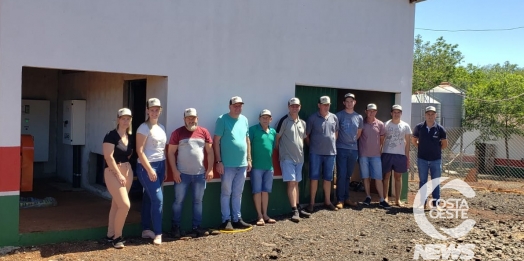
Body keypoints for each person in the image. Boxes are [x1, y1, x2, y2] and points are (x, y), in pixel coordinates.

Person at [168, 108, 214, 238]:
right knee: (178, 201)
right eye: (188, 118)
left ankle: (197, 227)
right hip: (182, 175)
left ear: (197, 118)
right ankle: (175, 227)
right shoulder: (177, 133)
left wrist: (210, 169)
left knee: (198, 201)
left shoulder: (204, 132)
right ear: (184, 119)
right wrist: (175, 171)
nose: (191, 120)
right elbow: (170, 153)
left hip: (200, 174)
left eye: (193, 117)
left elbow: (210, 152)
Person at [214, 96, 253, 231]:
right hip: (227, 164)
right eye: (235, 105)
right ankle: (226, 220)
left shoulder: (244, 120)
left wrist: (249, 159)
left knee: (238, 192)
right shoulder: (222, 119)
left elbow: (247, 140)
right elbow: (216, 141)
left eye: (240, 105)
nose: (238, 108)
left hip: (242, 164)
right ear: (229, 106)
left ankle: (237, 218)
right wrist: (218, 161)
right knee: (226, 192)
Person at [136, 98, 167, 245]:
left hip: (160, 165)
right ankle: (158, 233)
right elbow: (140, 151)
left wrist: (164, 168)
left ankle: (146, 229)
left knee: (149, 197)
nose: (154, 112)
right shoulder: (143, 128)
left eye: (157, 110)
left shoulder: (161, 126)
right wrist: (149, 169)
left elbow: (162, 150)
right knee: (157, 199)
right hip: (146, 166)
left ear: (160, 110)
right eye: (152, 110)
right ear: (147, 110)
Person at [102, 108, 134, 249]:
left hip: (127, 170)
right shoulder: (111, 136)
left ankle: (110, 234)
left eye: (128, 118)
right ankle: (117, 237)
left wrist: (125, 171)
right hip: (113, 171)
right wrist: (119, 174)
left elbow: (129, 154)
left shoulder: (129, 136)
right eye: (123, 118)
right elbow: (108, 157)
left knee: (117, 204)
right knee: (125, 205)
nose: (125, 121)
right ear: (118, 119)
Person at [275, 98, 311, 222]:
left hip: (299, 158)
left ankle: (299, 207)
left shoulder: (303, 123)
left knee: (296, 183)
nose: (294, 108)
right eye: (292, 106)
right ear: (288, 107)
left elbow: (304, 139)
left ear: (300, 107)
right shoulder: (284, 121)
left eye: (296, 106)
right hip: (287, 158)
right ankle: (294, 210)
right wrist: (280, 154)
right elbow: (277, 138)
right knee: (291, 183)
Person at [306, 96, 339, 212]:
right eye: (324, 104)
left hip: (330, 154)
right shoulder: (312, 118)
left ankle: (327, 201)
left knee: (328, 178)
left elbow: (336, 134)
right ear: (319, 105)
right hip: (315, 153)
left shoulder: (334, 117)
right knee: (314, 178)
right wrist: (314, 147)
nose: (326, 107)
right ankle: (312, 203)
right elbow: (307, 136)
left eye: (328, 105)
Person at [411, 106, 448, 209]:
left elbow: (445, 144)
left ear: (435, 115)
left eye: (432, 114)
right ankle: (423, 203)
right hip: (422, 159)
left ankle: (436, 204)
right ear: (425, 115)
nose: (430, 116)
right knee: (423, 181)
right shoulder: (419, 128)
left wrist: (436, 149)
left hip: (436, 160)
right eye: (428, 114)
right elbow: (414, 140)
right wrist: (421, 146)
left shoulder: (440, 129)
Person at [358, 103, 390, 209]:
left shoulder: (380, 124)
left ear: (376, 112)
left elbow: (381, 140)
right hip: (363, 155)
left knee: (378, 178)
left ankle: (381, 199)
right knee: (365, 177)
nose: (371, 113)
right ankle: (368, 197)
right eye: (369, 111)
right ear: (366, 111)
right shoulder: (361, 123)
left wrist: (378, 150)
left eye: (373, 111)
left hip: (376, 156)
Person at [249, 109, 277, 226]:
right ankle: (259, 216)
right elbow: (247, 145)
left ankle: (265, 214)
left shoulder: (273, 132)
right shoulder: (253, 130)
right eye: (263, 117)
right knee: (257, 191)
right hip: (256, 167)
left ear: (271, 119)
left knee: (266, 191)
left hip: (269, 167)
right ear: (259, 119)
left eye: (267, 117)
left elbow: (274, 147)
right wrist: (249, 160)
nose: (265, 119)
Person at [334, 93, 363, 209]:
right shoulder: (339, 116)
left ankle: (346, 198)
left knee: (348, 175)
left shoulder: (359, 117)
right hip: (341, 148)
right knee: (341, 174)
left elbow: (359, 133)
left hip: (353, 150)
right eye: (347, 101)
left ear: (354, 102)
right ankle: (340, 199)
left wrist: (351, 142)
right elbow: (335, 132)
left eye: (351, 101)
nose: (349, 103)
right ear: (344, 103)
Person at [381, 105, 412, 207]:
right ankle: (385, 197)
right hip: (387, 153)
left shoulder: (406, 126)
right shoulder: (385, 125)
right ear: (391, 113)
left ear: (401, 114)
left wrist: (406, 156)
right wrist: (380, 152)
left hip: (400, 155)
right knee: (386, 176)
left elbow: (408, 142)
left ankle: (397, 199)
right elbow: (382, 140)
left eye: (398, 112)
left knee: (398, 177)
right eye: (394, 112)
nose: (396, 114)